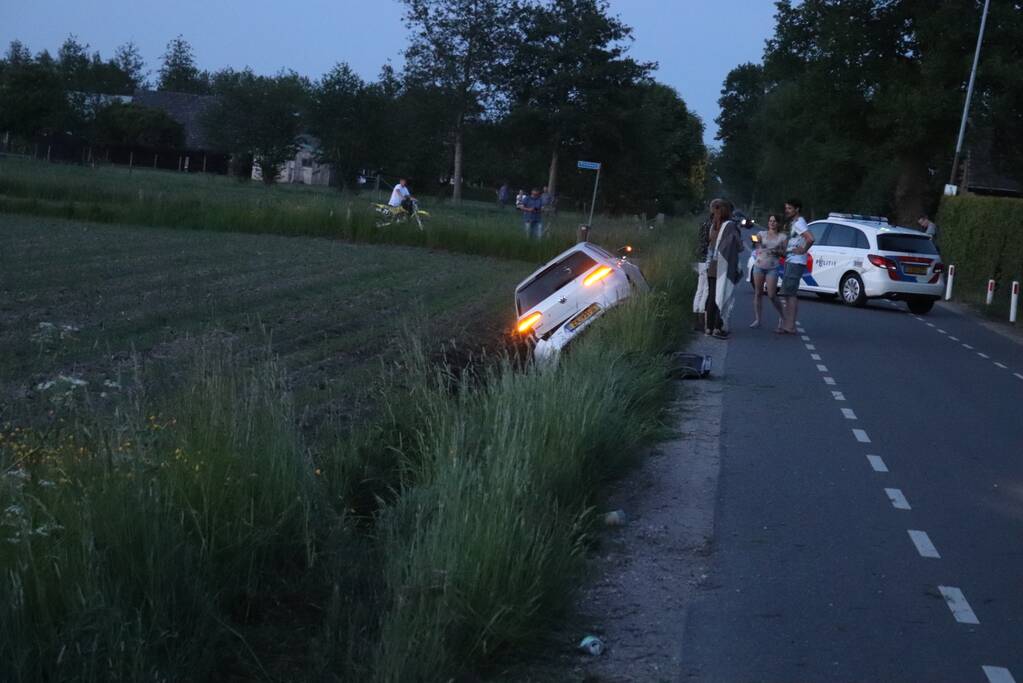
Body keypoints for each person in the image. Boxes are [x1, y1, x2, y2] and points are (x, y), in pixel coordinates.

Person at [778, 198, 813, 334]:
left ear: (797, 209)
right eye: (786, 208)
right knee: (788, 293)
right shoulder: (794, 223)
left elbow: (810, 238)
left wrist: (803, 250)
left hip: (796, 261)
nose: (787, 211)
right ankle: (788, 324)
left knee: (790, 294)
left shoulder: (799, 223)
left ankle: (790, 326)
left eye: (790, 208)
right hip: (791, 259)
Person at [711, 201, 743, 339]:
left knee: (715, 294)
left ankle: (711, 327)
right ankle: (718, 328)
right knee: (723, 294)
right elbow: (737, 245)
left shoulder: (716, 224)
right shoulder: (730, 226)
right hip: (726, 264)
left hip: (716, 264)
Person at [750, 213, 787, 328]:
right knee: (758, 293)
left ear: (778, 223)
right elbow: (754, 240)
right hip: (759, 265)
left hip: (772, 267)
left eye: (775, 221)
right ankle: (758, 319)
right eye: (770, 221)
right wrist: (756, 241)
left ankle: (782, 316)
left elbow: (785, 253)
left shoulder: (782, 237)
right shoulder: (762, 233)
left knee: (771, 294)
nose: (772, 223)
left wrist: (777, 252)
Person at [693, 199, 721, 327]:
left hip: (701, 258)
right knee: (707, 290)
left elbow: (700, 241)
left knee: (700, 289)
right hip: (709, 259)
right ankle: (703, 320)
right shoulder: (715, 225)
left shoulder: (704, 223)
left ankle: (696, 316)